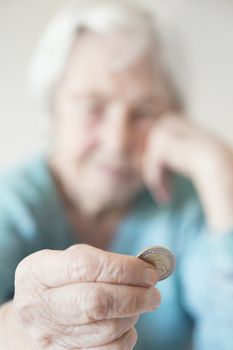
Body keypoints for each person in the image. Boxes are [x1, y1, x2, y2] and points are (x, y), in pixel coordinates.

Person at [1, 0, 233, 349]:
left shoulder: (187, 207)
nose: (117, 142)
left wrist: (220, 170)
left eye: (143, 112)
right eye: (93, 106)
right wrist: (18, 330)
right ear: (53, 106)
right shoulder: (11, 202)